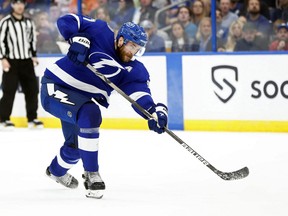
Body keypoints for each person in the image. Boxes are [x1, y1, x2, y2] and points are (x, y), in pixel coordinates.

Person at [41, 14, 168, 199]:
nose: (134, 53)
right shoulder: (100, 30)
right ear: (121, 40)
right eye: (133, 46)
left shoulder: (133, 70)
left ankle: (55, 171)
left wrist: (153, 113)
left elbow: (140, 95)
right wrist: (76, 37)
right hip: (55, 86)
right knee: (90, 114)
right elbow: (66, 20)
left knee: (75, 148)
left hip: (79, 99)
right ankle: (92, 174)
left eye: (138, 49)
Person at [0, 0, 43, 129]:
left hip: (27, 61)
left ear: (24, 5)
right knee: (9, 91)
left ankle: (32, 118)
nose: (19, 6)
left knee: (32, 90)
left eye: (21, 3)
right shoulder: (6, 22)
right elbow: (1, 41)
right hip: (11, 61)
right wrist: (2, 58)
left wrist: (34, 56)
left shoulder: (29, 22)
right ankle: (3, 119)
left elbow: (32, 40)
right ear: (12, 5)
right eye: (16, 3)